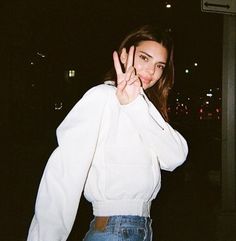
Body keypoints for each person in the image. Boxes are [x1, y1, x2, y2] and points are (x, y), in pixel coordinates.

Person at [27, 25, 188, 241]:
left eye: (159, 65)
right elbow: (65, 170)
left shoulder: (143, 108)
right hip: (114, 229)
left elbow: (175, 157)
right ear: (123, 56)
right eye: (144, 58)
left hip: (140, 229)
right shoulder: (102, 97)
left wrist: (135, 105)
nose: (152, 71)